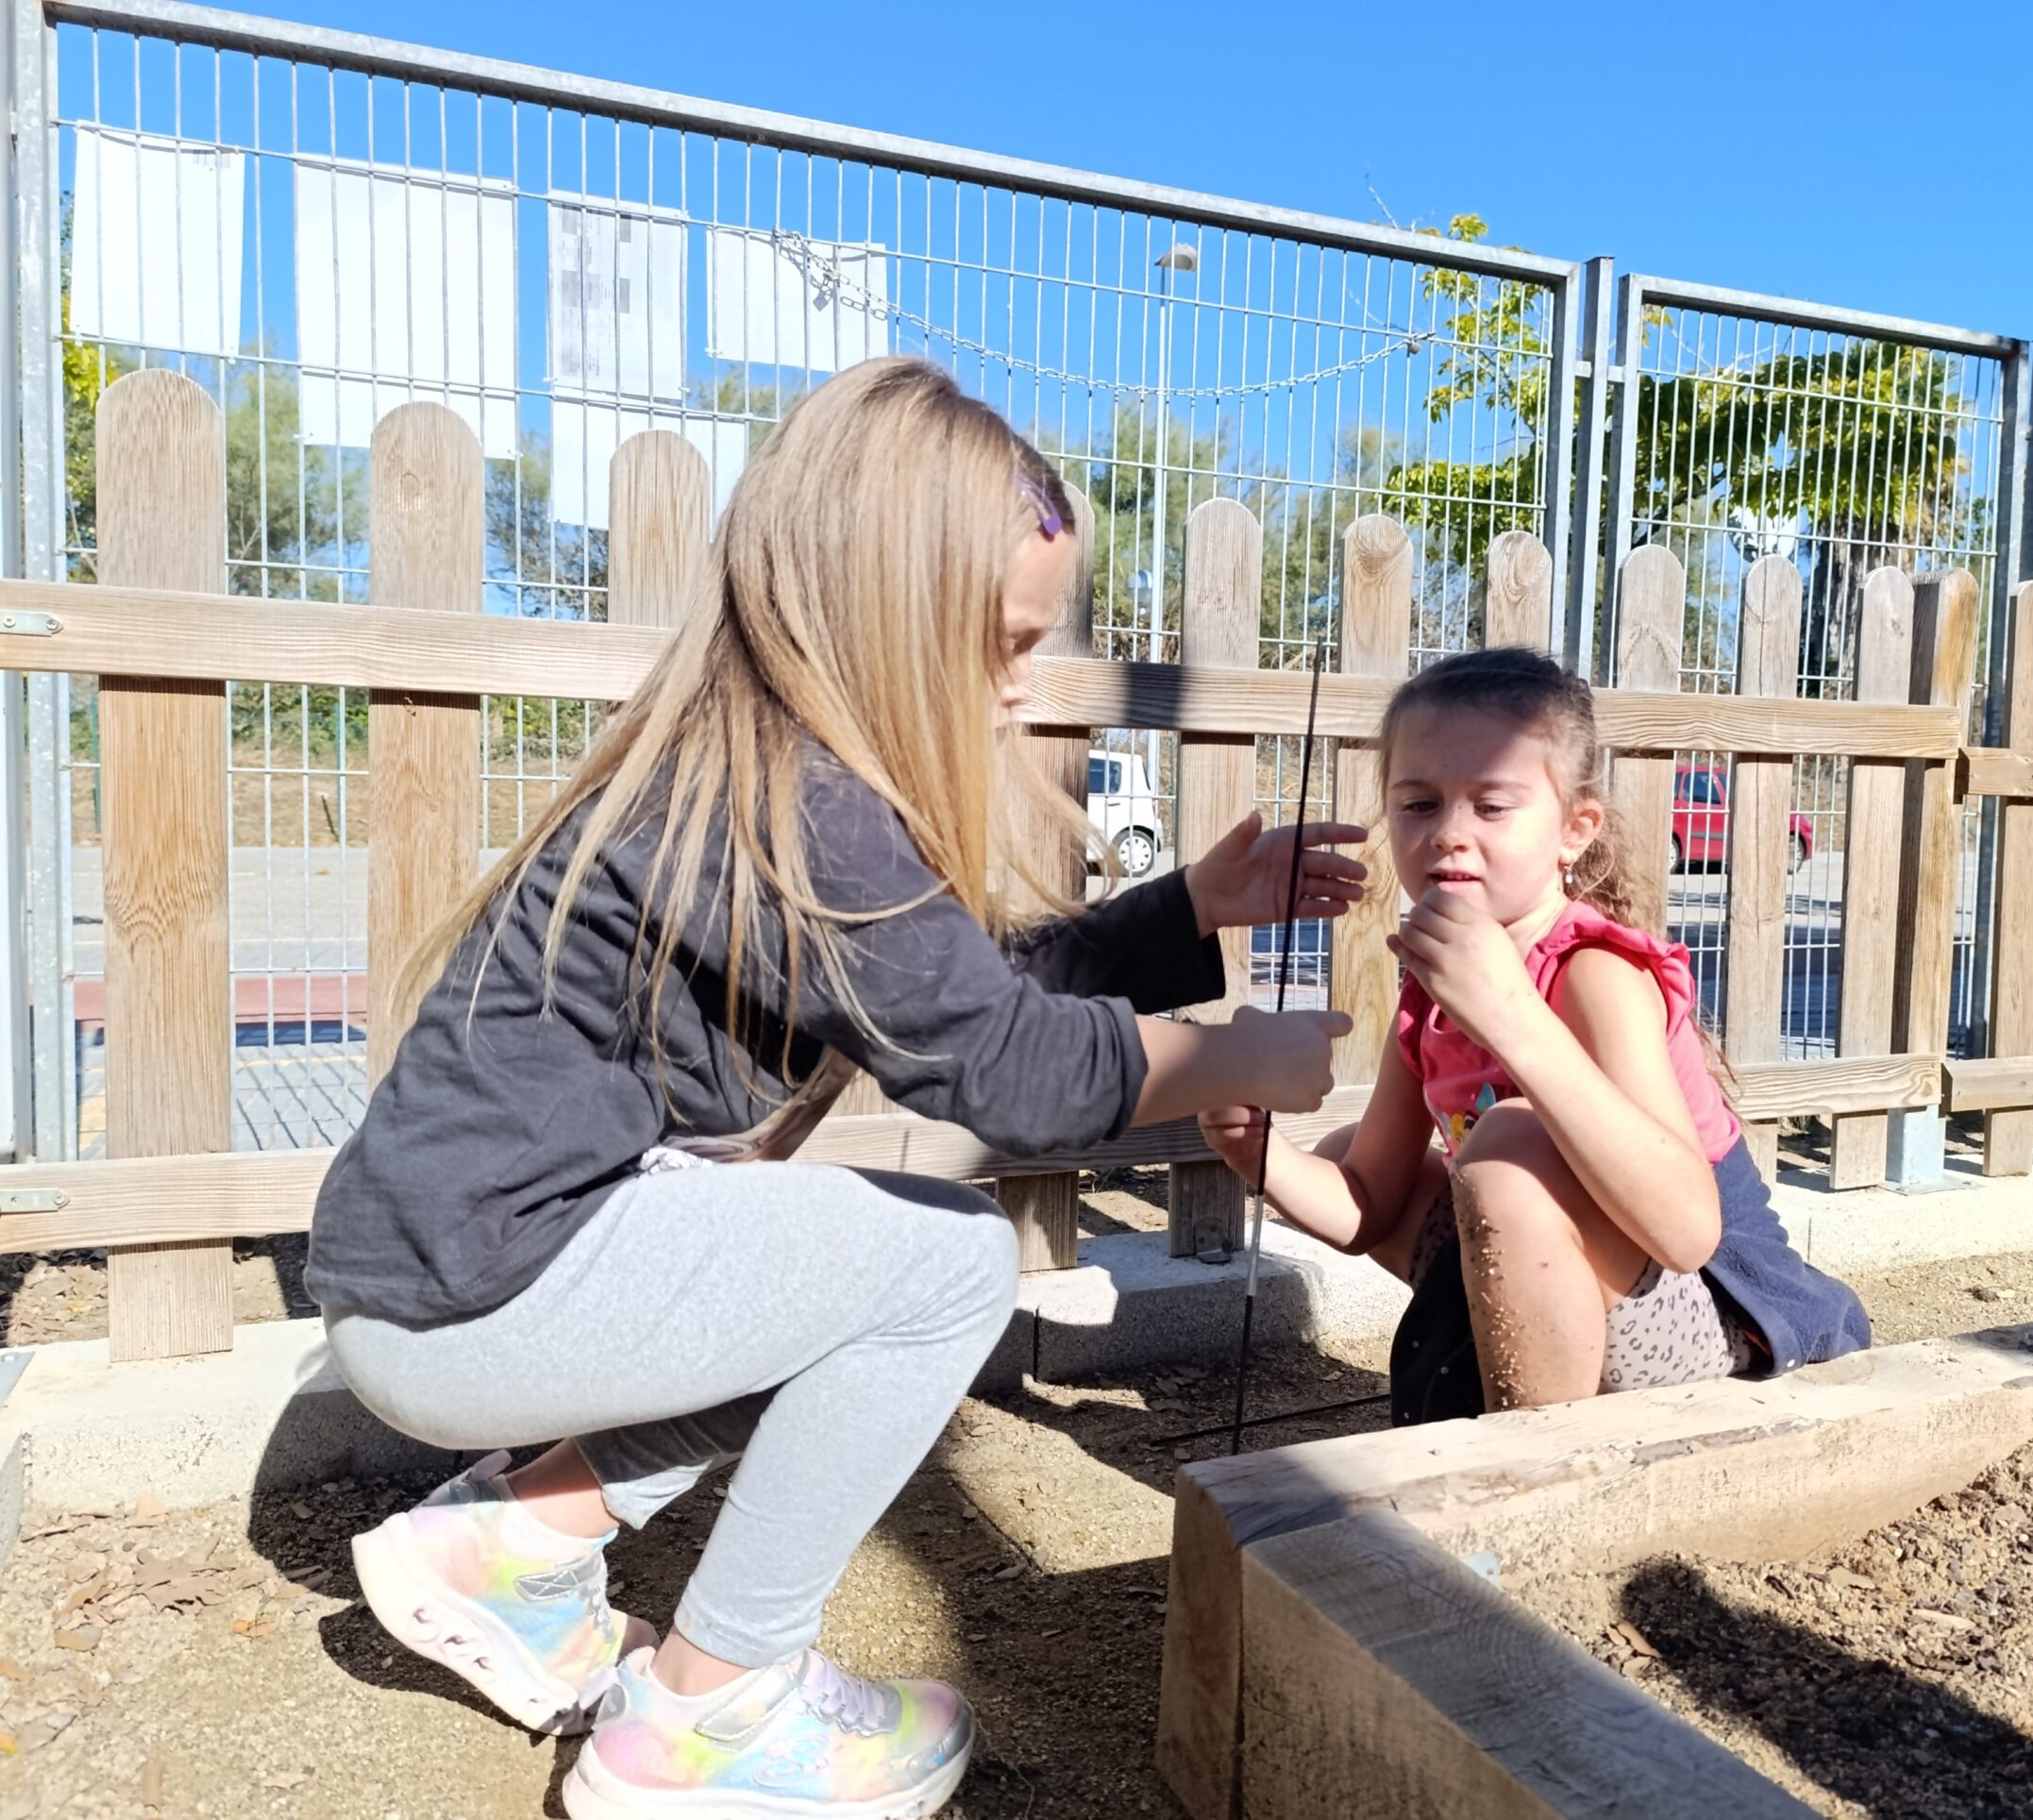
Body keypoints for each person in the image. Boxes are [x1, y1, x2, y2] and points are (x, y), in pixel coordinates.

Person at [305, 357, 1363, 1819]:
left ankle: (515, 1547)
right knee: (944, 1264)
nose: (1021, 685)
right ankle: (710, 1717)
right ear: (883, 615)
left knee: (824, 1279)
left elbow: (960, 996)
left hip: (452, 1283)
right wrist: (1237, 1057)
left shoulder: (746, 773)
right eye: (1003, 643)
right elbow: (1000, 1066)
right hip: (473, 1305)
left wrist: (1187, 907)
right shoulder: (791, 809)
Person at [1200, 646, 1867, 1424]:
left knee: (1510, 1141)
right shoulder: (1430, 989)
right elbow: (1370, 1206)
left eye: (1491, 806)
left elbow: (1688, 1231)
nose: (1449, 833)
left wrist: (1514, 1020)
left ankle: (1525, 1458)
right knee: (1354, 1149)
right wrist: (1257, 1151)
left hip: (1718, 1316)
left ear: (1574, 830)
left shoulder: (1595, 972)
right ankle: (1511, 1398)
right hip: (1584, 1294)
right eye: (1419, 805)